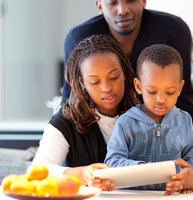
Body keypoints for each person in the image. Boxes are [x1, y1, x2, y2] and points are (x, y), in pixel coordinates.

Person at [62, 0, 193, 166]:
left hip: (157, 152)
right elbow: (71, 103)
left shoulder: (173, 30)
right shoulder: (80, 37)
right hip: (95, 149)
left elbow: (182, 101)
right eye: (112, 2)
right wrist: (55, 145)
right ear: (99, 6)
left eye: (131, 0)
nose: (122, 10)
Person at [105, 44, 193, 195]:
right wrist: (142, 168)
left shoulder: (184, 121)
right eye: (152, 91)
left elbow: (192, 157)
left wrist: (186, 176)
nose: (161, 99)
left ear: (179, 88)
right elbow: (112, 161)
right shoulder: (126, 123)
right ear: (138, 86)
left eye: (170, 92)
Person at [32, 34, 138, 190]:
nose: (106, 87)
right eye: (94, 81)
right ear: (82, 83)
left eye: (114, 77)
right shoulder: (66, 120)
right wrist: (84, 174)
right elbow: (37, 172)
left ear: (124, 73)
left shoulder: (146, 113)